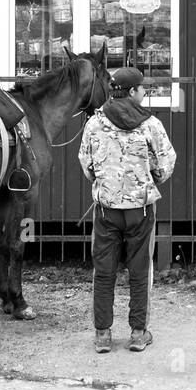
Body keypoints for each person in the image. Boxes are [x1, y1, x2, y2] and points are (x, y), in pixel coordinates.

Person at [79, 66, 176, 354]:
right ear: (132, 92)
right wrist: (148, 180)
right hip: (140, 210)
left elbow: (87, 164)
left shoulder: (94, 124)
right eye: (142, 88)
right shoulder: (151, 125)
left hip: (106, 209)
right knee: (140, 270)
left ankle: (103, 335)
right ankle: (137, 332)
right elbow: (165, 164)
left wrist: (105, 184)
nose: (145, 92)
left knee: (104, 270)